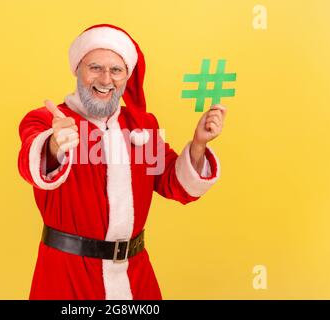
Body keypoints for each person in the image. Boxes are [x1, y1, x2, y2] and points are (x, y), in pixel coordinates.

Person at [18, 24, 227, 300]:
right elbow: (31, 163)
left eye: (116, 70)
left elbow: (174, 184)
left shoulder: (142, 126)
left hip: (135, 277)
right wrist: (55, 144)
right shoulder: (46, 120)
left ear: (126, 76)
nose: (106, 79)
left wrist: (199, 144)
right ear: (78, 70)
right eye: (95, 67)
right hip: (66, 277)